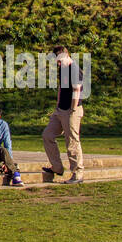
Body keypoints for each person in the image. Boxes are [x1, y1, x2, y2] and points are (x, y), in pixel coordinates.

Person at [42, 45, 84, 184]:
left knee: (71, 141)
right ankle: (57, 167)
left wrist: (72, 109)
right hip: (60, 110)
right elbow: (61, 89)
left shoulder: (74, 68)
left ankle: (77, 173)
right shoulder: (63, 68)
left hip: (71, 110)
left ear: (66, 55)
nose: (58, 63)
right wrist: (58, 106)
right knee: (48, 135)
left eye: (59, 59)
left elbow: (76, 89)